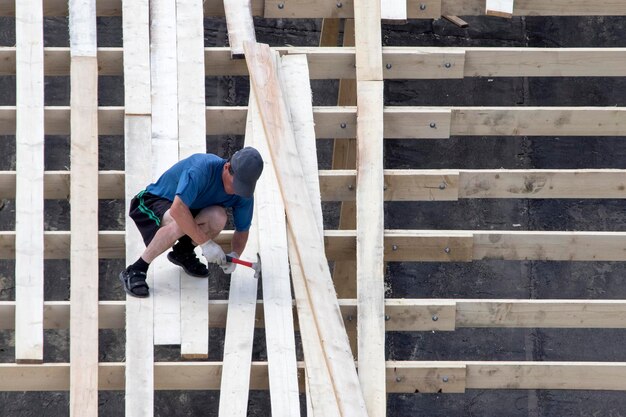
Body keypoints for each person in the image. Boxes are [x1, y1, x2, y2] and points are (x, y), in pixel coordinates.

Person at [119, 147, 264, 298]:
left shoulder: (243, 194)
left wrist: (236, 255)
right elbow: (178, 209)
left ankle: (183, 253)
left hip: (189, 208)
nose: (237, 191)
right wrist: (206, 243)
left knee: (218, 217)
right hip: (155, 201)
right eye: (236, 185)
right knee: (180, 220)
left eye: (243, 187)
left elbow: (242, 230)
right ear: (227, 168)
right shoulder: (202, 169)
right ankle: (136, 269)